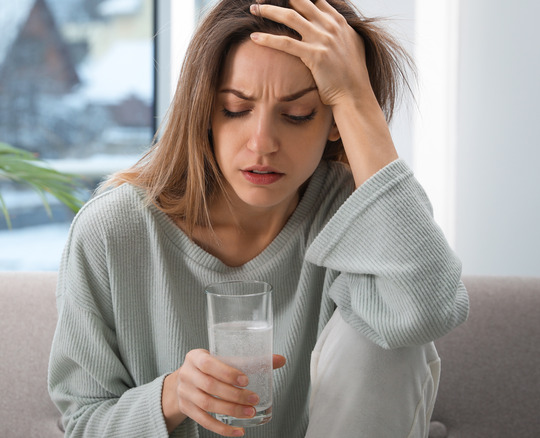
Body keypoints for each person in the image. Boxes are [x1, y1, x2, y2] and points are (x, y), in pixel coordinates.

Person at [48, 0, 470, 436]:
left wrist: (357, 98)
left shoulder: (359, 212)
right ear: (204, 111)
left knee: (390, 321)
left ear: (333, 121)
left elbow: (427, 310)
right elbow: (82, 423)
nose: (263, 143)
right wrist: (173, 395)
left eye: (297, 114)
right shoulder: (112, 231)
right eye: (235, 108)